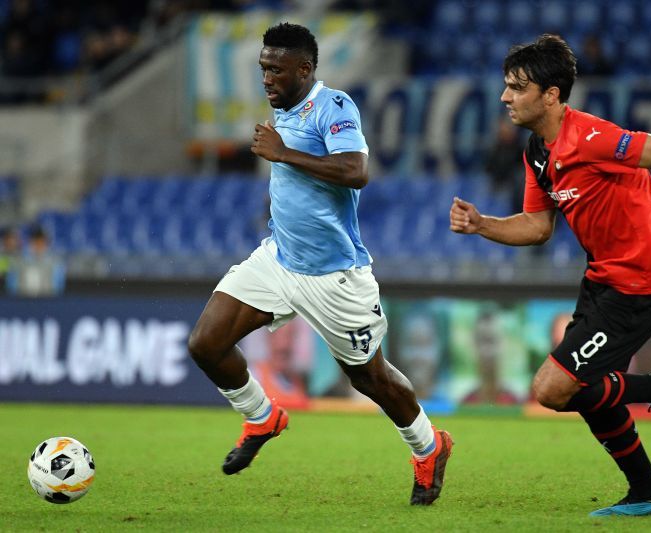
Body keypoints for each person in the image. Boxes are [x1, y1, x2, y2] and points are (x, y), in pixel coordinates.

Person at [187, 22, 452, 506]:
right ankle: (261, 415)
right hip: (278, 259)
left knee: (369, 377)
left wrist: (282, 154)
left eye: (276, 69)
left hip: (334, 277)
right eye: (263, 67)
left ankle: (429, 446)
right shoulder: (281, 107)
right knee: (206, 343)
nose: (266, 78)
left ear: (305, 70)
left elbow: (356, 172)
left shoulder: (333, 106)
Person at [450, 34, 651, 517]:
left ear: (552, 95)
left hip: (642, 283)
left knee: (553, 388)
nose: (505, 97)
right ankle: (648, 493)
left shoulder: (592, 138)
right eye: (506, 86)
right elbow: (538, 226)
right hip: (603, 281)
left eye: (517, 88)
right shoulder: (537, 152)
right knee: (590, 394)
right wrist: (483, 225)